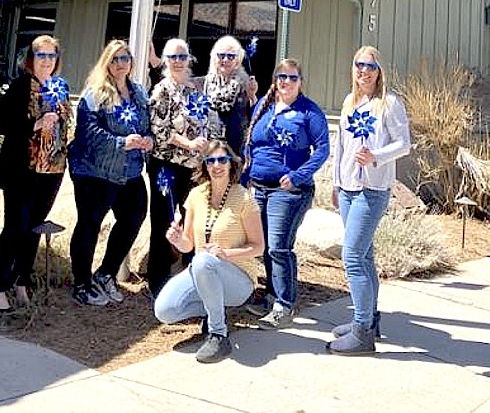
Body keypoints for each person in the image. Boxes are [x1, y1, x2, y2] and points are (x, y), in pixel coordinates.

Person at [327, 45, 411, 355]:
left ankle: (362, 332)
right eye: (359, 64)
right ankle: (368, 318)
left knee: (351, 257)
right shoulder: (351, 101)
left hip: (372, 191)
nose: (364, 71)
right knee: (364, 256)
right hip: (348, 189)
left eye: (370, 66)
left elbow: (404, 144)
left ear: (379, 71)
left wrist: (376, 156)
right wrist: (336, 183)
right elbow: (341, 147)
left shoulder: (389, 104)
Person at [154, 139, 265, 363]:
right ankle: (215, 310)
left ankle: (218, 334)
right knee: (164, 311)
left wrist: (226, 254)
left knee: (204, 261)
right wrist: (177, 241)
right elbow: (189, 245)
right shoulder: (196, 195)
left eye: (222, 160)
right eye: (211, 160)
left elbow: (258, 247)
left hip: (238, 279)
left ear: (231, 164)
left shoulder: (244, 198)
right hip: (203, 270)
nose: (217, 165)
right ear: (204, 165)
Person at [243, 58, 329, 329]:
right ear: (275, 80)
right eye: (282, 77)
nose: (287, 82)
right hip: (259, 188)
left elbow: (323, 149)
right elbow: (251, 145)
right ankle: (270, 295)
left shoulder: (309, 112)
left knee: (280, 246)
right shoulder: (264, 106)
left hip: (289, 191)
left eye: (292, 78)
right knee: (266, 246)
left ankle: (285, 304)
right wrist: (246, 176)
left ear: (300, 82)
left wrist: (297, 176)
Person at [68, 39, 153, 306]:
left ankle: (106, 273)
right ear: (106, 62)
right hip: (95, 172)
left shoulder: (138, 93)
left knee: (133, 218)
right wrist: (121, 143)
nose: (120, 64)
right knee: (89, 225)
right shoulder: (95, 95)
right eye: (115, 59)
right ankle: (81, 282)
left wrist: (148, 139)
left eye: (125, 58)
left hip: (129, 172)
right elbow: (88, 133)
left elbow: (147, 124)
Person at [0, 35, 70, 311]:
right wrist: (35, 125)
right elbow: (3, 125)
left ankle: (21, 280)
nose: (46, 61)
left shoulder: (59, 87)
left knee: (34, 227)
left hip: (52, 169)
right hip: (21, 169)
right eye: (41, 55)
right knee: (15, 227)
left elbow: (64, 127)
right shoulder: (21, 86)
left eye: (51, 56)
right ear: (31, 59)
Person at [147, 38, 220, 297]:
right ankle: (158, 281)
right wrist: (188, 143)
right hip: (167, 166)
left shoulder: (196, 90)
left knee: (193, 223)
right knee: (165, 223)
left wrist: (208, 143)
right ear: (164, 61)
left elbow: (212, 122)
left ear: (190, 59)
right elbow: (159, 129)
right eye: (172, 57)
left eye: (182, 56)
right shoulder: (162, 90)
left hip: (194, 169)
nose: (178, 62)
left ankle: (193, 278)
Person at [200, 35, 258, 155]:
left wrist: (252, 96)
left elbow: (256, 115)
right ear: (214, 58)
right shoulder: (203, 84)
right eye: (221, 55)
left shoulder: (245, 85)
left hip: (236, 153)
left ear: (237, 60)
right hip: (209, 153)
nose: (225, 60)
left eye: (231, 56)